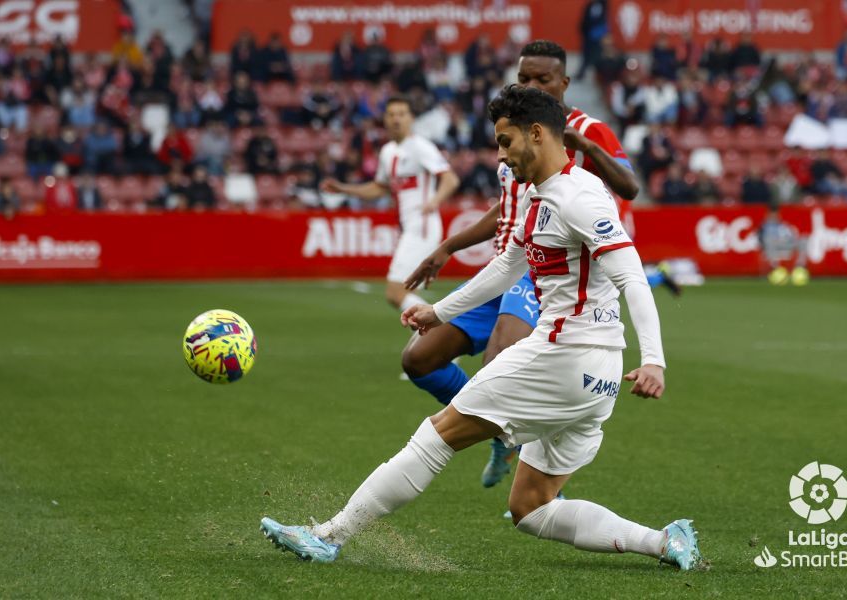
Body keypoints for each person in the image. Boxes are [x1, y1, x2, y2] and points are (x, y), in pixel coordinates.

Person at [260, 85, 705, 570]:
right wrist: (438, 312)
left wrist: (655, 360)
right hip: (598, 376)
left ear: (537, 134)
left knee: (436, 436)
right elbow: (505, 268)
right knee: (531, 507)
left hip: (562, 354)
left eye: (506, 141)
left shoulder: (578, 198)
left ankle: (329, 535)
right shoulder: (540, 195)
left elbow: (633, 277)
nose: (501, 155)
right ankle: (664, 541)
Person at [401, 41, 639, 490]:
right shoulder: (512, 130)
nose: (532, 84)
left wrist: (585, 145)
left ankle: (513, 449)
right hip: (503, 263)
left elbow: (630, 186)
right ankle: (502, 432)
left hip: (544, 268)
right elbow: (507, 207)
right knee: (419, 359)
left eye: (542, 79)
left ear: (564, 83)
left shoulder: (585, 129)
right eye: (524, 77)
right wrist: (447, 247)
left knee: (497, 362)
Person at [321, 96, 460, 311]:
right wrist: (344, 189)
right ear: (385, 119)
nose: (396, 119)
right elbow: (379, 188)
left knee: (395, 292)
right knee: (409, 294)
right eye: (392, 114)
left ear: (411, 118)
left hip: (422, 228)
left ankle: (443, 325)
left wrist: (434, 201)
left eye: (401, 114)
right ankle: (436, 329)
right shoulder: (388, 152)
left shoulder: (421, 147)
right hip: (408, 228)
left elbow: (450, 179)